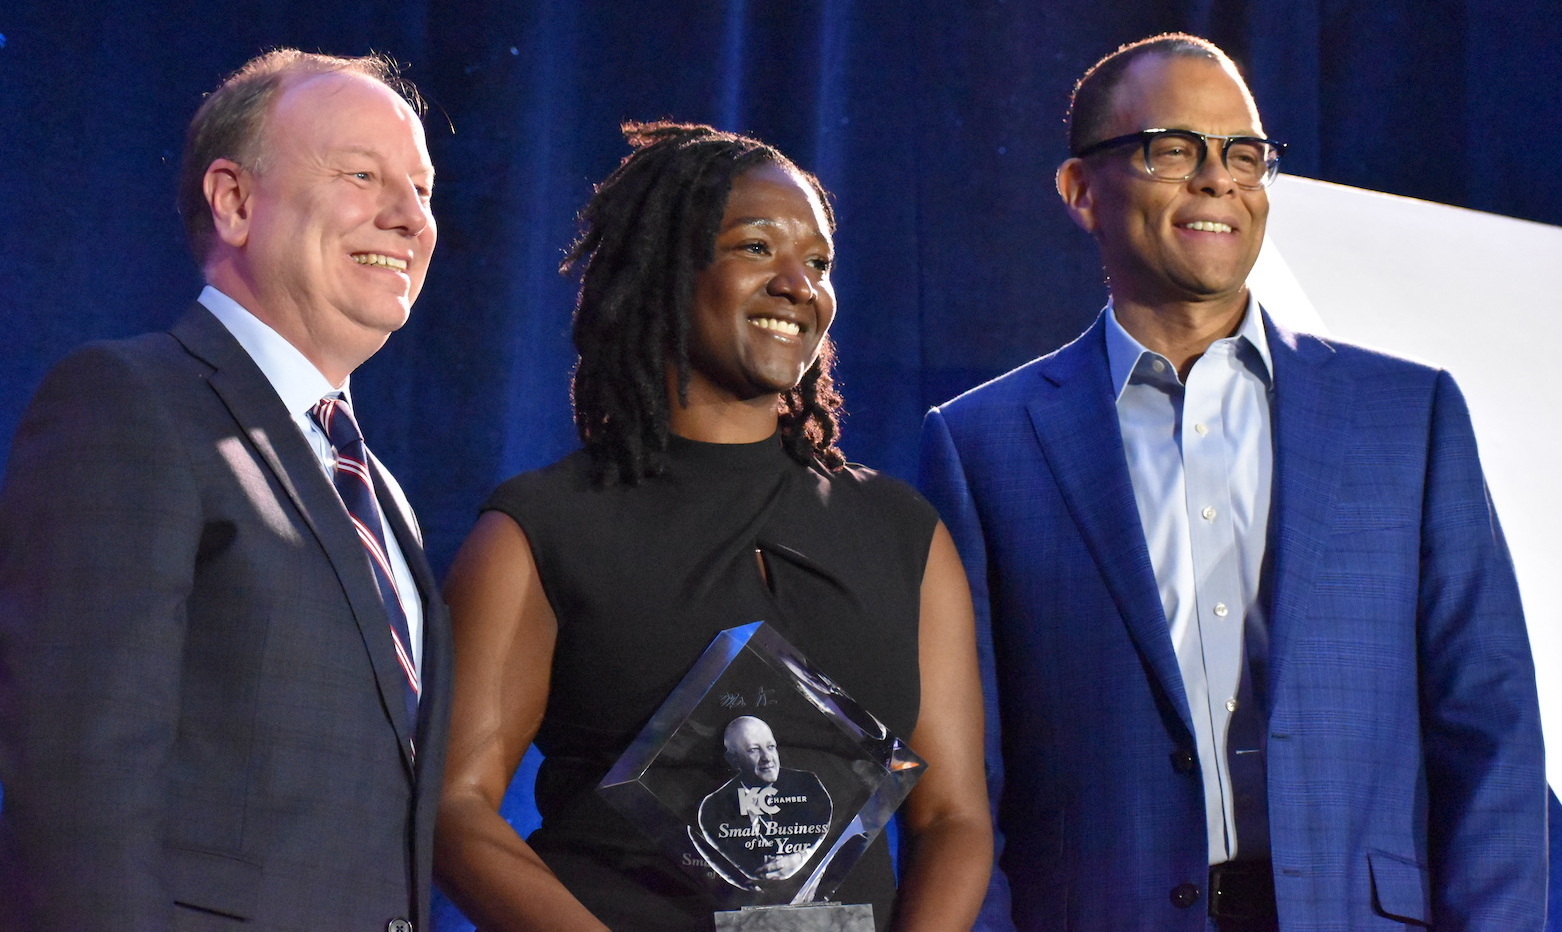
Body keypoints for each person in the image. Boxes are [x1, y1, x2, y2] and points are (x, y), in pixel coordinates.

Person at [919, 33, 1546, 931]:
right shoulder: (982, 443)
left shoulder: (1408, 415)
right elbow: (961, 780)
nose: (1218, 179)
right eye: (1174, 149)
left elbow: (1489, 724)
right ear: (1082, 190)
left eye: (1244, 154)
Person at [434, 121, 993, 931]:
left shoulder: (902, 531)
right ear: (665, 271)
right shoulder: (541, 528)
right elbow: (455, 808)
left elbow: (953, 818)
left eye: (819, 263)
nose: (798, 284)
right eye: (757, 248)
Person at [0, 49, 449, 931]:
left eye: (424, 189)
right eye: (362, 175)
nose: (410, 218)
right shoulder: (129, 403)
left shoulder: (382, 495)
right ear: (235, 201)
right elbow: (78, 785)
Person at [694, 715, 834, 885]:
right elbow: (739, 872)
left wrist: (800, 857)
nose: (767, 758)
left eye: (770, 747)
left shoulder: (808, 785)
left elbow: (830, 836)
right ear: (733, 759)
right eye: (754, 750)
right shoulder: (712, 808)